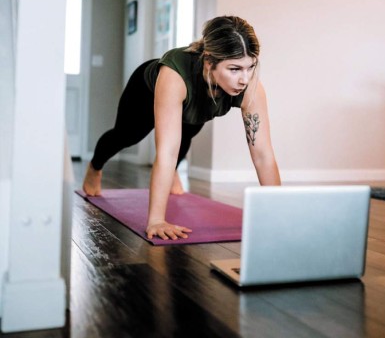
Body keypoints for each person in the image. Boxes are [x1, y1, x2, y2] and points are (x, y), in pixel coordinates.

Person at [82, 15, 281, 240]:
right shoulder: (174, 75)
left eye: (250, 67)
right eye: (234, 69)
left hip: (195, 100)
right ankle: (95, 166)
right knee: (127, 135)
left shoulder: (250, 85)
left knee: (188, 131)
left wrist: (276, 213)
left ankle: (174, 171)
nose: (245, 79)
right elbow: (165, 151)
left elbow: (263, 154)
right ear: (209, 62)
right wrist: (156, 220)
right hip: (145, 92)